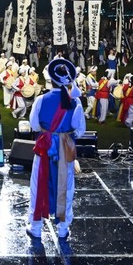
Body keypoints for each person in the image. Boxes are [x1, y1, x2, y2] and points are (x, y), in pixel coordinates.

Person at [26, 58, 86, 240]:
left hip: (44, 146)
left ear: (50, 79)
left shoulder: (40, 99)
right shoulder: (75, 102)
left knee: (38, 184)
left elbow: (34, 125)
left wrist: (50, 133)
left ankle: (36, 227)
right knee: (65, 186)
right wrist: (64, 135)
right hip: (65, 148)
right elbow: (80, 130)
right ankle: (63, 229)